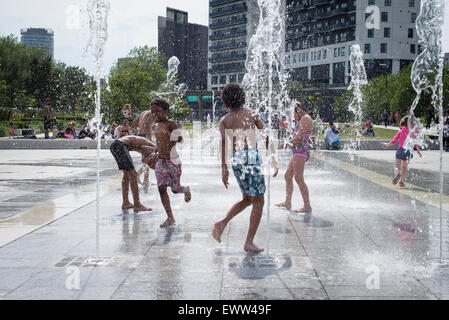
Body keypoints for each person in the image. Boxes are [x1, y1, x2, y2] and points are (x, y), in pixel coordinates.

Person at [212, 83, 278, 253]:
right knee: (259, 200)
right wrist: (273, 158)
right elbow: (265, 136)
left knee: (248, 199)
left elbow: (224, 144)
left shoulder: (224, 120)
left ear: (226, 104)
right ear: (244, 99)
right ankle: (249, 241)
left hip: (236, 160)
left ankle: (223, 222)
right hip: (251, 158)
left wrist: (224, 169)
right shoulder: (251, 114)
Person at [151, 98, 192, 228]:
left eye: (157, 111)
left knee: (175, 190)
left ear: (166, 111)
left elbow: (179, 139)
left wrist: (166, 131)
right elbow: (160, 142)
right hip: (161, 161)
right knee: (161, 188)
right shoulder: (155, 126)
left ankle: (185, 189)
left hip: (173, 161)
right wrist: (155, 150)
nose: (154, 114)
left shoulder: (171, 124)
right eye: (152, 112)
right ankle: (170, 217)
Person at [275, 103, 313, 214]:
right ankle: (287, 202)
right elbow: (297, 132)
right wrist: (286, 126)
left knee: (298, 177)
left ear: (299, 110)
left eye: (293, 113)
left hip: (301, 151)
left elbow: (300, 137)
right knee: (288, 175)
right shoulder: (301, 120)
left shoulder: (305, 118)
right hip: (297, 151)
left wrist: (285, 144)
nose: (293, 116)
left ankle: (307, 206)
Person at [110, 135, 157, 212]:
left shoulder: (151, 148)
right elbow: (145, 156)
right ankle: (137, 204)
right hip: (121, 145)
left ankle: (126, 202)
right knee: (133, 175)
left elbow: (144, 159)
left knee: (126, 175)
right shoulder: (154, 149)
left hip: (115, 145)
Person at [382, 116, 422, 188]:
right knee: (404, 167)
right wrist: (418, 151)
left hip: (400, 150)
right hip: (408, 151)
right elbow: (416, 143)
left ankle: (397, 174)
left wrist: (386, 144)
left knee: (397, 166)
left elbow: (393, 141)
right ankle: (401, 181)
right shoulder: (412, 132)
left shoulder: (401, 131)